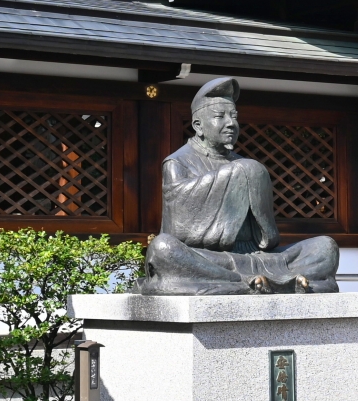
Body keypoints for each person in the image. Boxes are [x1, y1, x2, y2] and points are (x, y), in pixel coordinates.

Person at [140, 77, 340, 295]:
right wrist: (236, 175)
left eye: (234, 116)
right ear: (198, 126)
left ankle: (253, 281)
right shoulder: (178, 162)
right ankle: (244, 281)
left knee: (325, 247)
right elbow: (179, 230)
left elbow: (268, 237)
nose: (231, 123)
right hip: (212, 259)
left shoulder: (241, 163)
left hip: (259, 258)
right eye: (220, 116)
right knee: (163, 249)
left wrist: (245, 175)